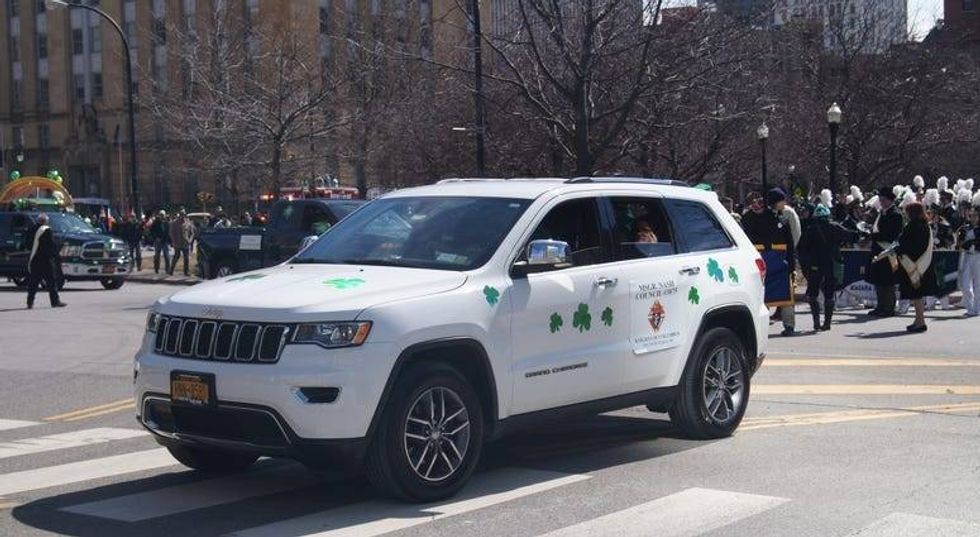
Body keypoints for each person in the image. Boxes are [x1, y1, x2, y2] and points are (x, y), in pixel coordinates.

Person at [797, 204, 861, 331]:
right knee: (829, 294)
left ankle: (816, 322)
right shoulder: (834, 227)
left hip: (815, 265)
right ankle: (827, 323)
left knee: (813, 294)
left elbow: (802, 249)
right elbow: (851, 236)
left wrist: (806, 266)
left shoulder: (810, 230)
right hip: (831, 264)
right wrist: (861, 232)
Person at [743, 188, 797, 336]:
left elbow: (789, 243)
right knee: (761, 295)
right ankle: (762, 326)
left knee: (786, 294)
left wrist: (791, 265)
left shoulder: (781, 217)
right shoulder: (748, 219)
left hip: (780, 261)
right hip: (760, 261)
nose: (756, 205)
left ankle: (789, 325)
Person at [896, 202, 938, 332]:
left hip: (914, 264)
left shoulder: (915, 226)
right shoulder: (924, 225)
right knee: (917, 295)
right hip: (922, 263)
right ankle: (918, 320)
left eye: (907, 212)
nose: (905, 214)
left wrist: (899, 248)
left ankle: (920, 321)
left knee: (916, 294)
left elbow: (912, 245)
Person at [867, 187, 903, 318]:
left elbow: (892, 234)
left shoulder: (896, 214)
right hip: (878, 249)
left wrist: (875, 236)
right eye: (880, 200)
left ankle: (889, 307)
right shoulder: (881, 213)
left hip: (889, 250)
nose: (881, 202)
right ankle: (880, 305)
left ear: (890, 200)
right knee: (879, 279)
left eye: (883, 200)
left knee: (888, 281)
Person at [26, 214, 67, 309]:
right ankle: (55, 301)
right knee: (51, 282)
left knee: (33, 282)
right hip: (46, 260)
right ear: (45, 221)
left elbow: (27, 245)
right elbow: (51, 245)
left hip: (35, 259)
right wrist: (56, 255)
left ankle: (30, 302)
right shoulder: (47, 230)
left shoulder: (31, 230)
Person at [959, 203, 980, 317]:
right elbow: (960, 243)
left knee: (978, 284)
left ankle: (976, 309)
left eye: (976, 216)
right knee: (965, 284)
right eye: (972, 215)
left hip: (978, 256)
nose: (973, 218)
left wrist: (972, 242)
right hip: (967, 256)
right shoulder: (965, 228)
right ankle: (970, 307)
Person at [168, 211, 195, 276]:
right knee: (176, 257)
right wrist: (173, 241)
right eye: (181, 215)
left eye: (184, 215)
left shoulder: (188, 223)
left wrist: (190, 240)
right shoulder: (174, 223)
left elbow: (192, 233)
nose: (182, 216)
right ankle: (171, 270)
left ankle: (186, 272)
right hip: (177, 243)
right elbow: (171, 233)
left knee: (186, 258)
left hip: (185, 243)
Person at [149, 210, 171, 274]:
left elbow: (168, 232)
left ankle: (167, 269)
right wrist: (155, 238)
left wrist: (169, 241)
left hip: (164, 241)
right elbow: (152, 231)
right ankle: (156, 269)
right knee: (157, 256)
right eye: (161, 215)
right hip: (157, 241)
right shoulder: (155, 222)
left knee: (166, 256)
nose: (162, 216)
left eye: (163, 215)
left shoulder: (167, 223)